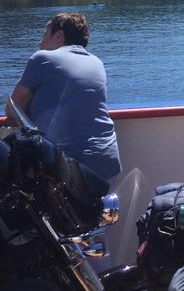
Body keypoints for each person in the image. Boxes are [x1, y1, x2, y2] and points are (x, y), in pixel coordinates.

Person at [4, 12, 122, 181]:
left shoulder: (42, 58)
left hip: (67, 164)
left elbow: (13, 108)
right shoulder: (97, 63)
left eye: (45, 35)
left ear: (59, 36)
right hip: (106, 162)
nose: (40, 42)